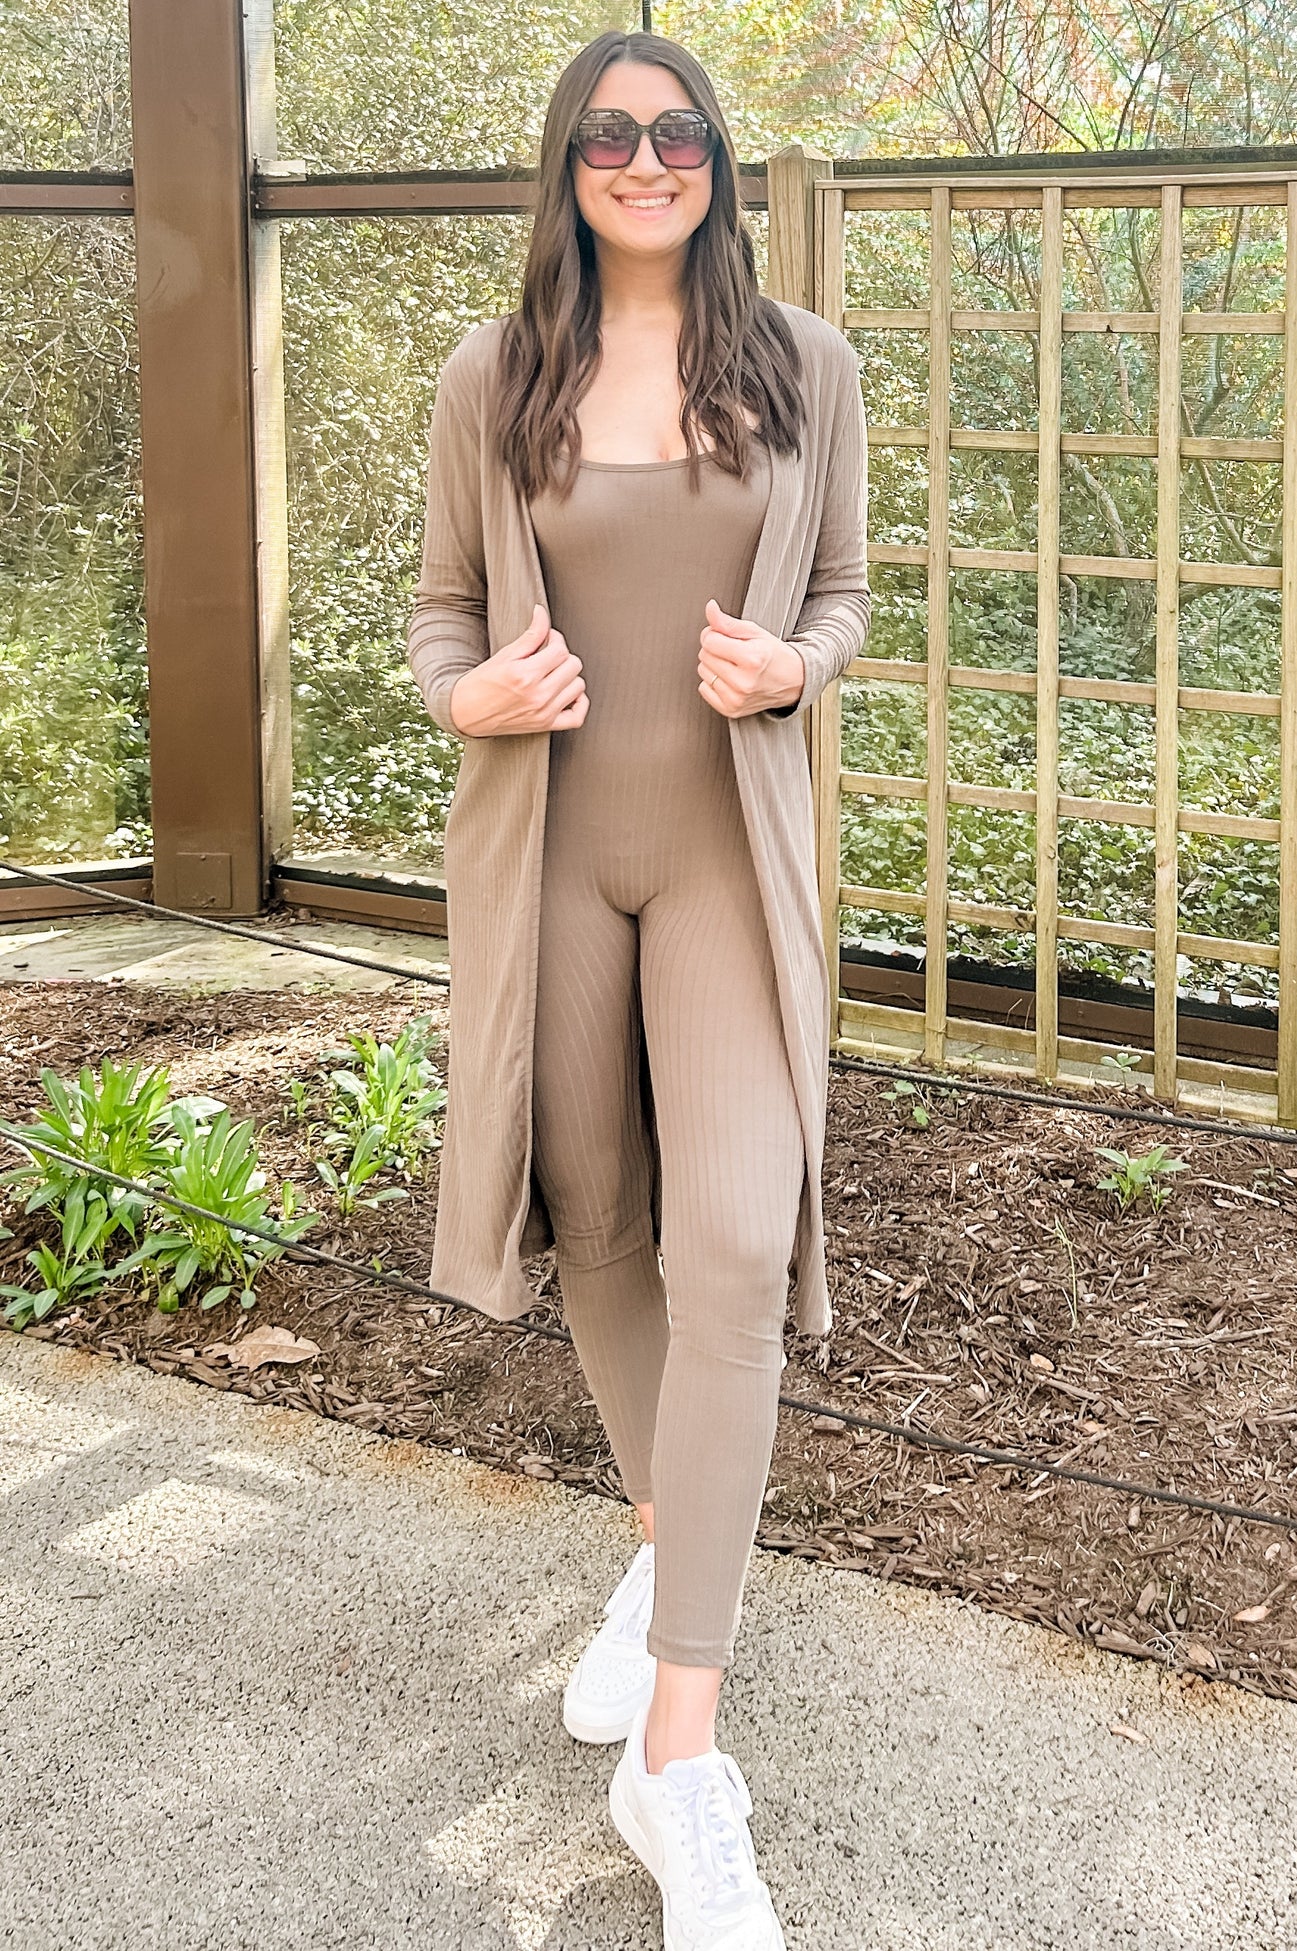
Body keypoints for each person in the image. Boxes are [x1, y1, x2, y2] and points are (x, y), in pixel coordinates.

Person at [407, 28, 869, 1949]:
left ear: (718, 160)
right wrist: (472, 696)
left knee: (736, 1244)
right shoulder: (495, 374)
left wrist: (796, 666)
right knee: (596, 1222)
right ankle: (675, 1550)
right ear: (567, 164)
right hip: (551, 867)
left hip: (724, 866)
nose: (647, 158)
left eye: (679, 132)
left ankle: (678, 1760)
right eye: (609, 134)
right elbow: (441, 612)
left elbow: (844, 588)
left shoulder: (805, 366)